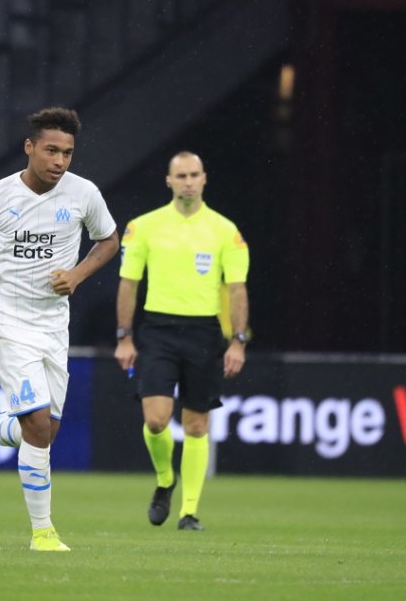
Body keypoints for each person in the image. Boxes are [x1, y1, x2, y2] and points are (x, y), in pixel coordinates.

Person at [0, 107, 118, 552]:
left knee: (44, 430)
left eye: (67, 152)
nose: (60, 160)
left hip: (53, 323)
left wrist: (79, 275)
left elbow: (109, 239)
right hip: (7, 318)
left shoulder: (83, 194)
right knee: (36, 422)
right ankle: (43, 532)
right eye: (51, 150)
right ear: (29, 147)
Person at [114, 151, 250, 531]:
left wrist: (237, 341)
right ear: (168, 181)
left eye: (194, 175)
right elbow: (129, 283)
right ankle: (164, 480)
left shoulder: (226, 231)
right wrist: (124, 337)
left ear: (204, 179)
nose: (188, 181)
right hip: (158, 330)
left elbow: (237, 290)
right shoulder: (144, 227)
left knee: (195, 426)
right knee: (156, 421)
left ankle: (189, 512)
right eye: (181, 176)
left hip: (204, 333)